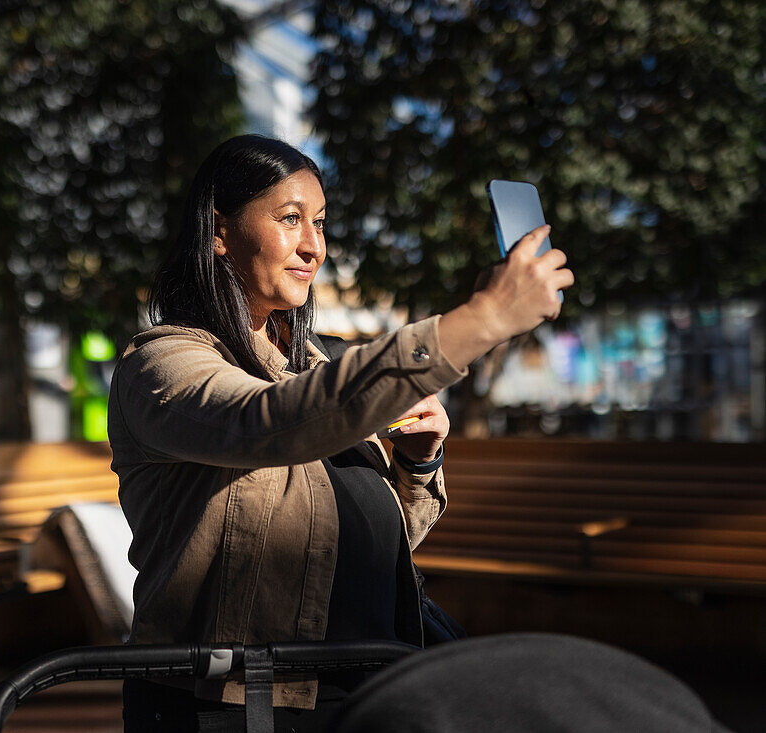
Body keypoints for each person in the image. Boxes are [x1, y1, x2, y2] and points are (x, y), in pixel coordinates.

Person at [107, 134, 573, 732]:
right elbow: (271, 423)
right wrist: (481, 319)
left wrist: (416, 464)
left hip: (362, 690)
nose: (312, 246)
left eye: (320, 224)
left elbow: (353, 552)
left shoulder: (314, 369)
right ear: (219, 231)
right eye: (290, 219)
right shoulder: (161, 366)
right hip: (234, 706)